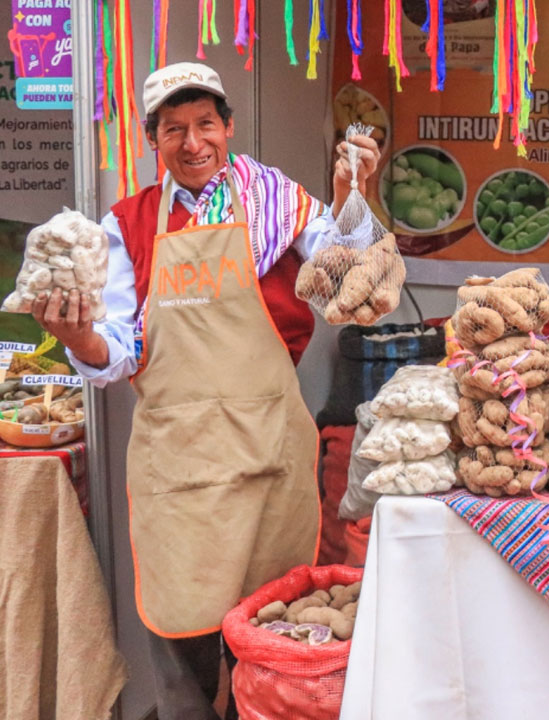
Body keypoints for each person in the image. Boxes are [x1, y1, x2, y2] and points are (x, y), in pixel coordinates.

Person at [28, 62, 381, 720]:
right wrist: (78, 339)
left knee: (272, 625)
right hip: (180, 465)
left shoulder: (276, 200)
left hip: (268, 454)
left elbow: (347, 278)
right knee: (182, 633)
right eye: (173, 130)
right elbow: (117, 350)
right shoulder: (126, 224)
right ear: (152, 140)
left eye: (205, 124)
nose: (193, 143)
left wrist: (346, 197)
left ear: (229, 126)